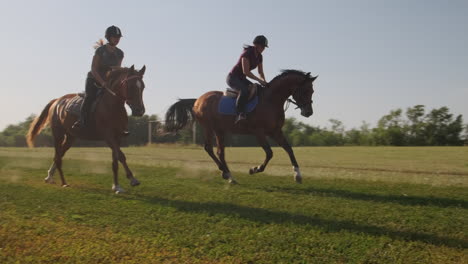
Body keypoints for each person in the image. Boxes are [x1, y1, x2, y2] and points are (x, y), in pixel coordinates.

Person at [73, 25, 124, 131]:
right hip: (94, 79)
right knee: (90, 97)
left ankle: (121, 125)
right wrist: (102, 82)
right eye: (115, 37)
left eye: (118, 37)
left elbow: (117, 70)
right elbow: (94, 69)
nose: (117, 39)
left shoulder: (120, 53)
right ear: (108, 37)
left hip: (109, 81)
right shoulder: (100, 51)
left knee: (120, 98)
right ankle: (81, 121)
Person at [227, 35, 268, 123]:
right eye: (262, 46)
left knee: (258, 89)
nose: (263, 49)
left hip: (241, 79)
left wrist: (263, 81)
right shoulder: (247, 53)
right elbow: (246, 72)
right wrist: (259, 80)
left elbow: (260, 72)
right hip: (233, 78)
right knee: (244, 90)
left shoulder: (260, 57)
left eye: (264, 47)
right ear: (256, 45)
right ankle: (239, 114)